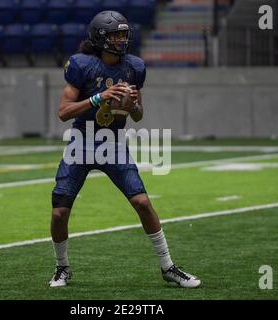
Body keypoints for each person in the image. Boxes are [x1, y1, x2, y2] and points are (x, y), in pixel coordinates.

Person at [49, 10, 201, 288]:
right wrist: (99, 97)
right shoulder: (82, 65)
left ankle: (168, 267)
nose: (121, 40)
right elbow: (63, 112)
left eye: (123, 34)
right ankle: (62, 267)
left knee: (142, 202)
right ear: (100, 38)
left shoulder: (133, 67)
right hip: (81, 143)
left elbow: (139, 114)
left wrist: (131, 104)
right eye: (115, 35)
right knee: (59, 211)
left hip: (114, 144)